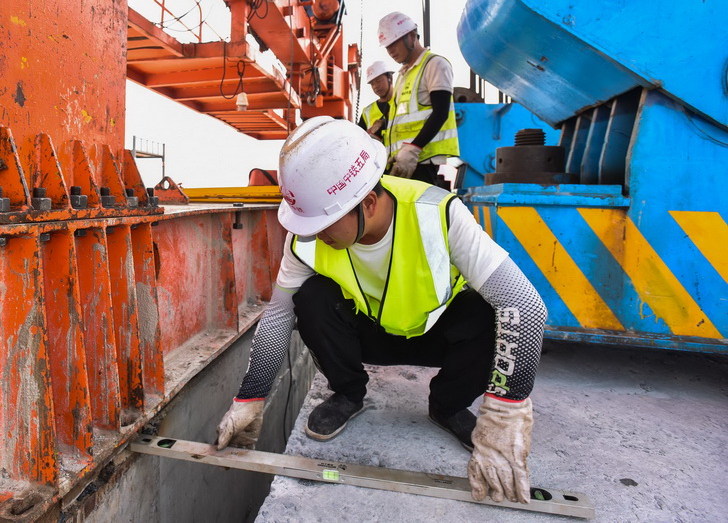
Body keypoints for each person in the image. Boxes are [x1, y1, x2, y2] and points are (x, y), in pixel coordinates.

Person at [215, 117, 546, 504]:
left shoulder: (437, 213)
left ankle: (447, 405)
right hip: (369, 333)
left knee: (490, 312)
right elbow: (278, 316)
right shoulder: (306, 238)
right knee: (311, 298)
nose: (312, 234)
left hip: (436, 330)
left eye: (323, 223)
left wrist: (505, 415)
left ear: (368, 203)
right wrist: (249, 400)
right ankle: (348, 394)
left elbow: (525, 304)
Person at [376, 11, 459, 187]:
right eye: (387, 47)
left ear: (412, 36)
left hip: (422, 161)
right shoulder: (404, 75)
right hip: (401, 161)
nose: (390, 51)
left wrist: (414, 149)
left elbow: (441, 112)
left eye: (394, 44)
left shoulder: (434, 64)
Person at [357, 59, 397, 150]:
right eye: (372, 84)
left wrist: (382, 124)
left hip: (406, 159)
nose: (376, 86)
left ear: (390, 78)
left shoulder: (403, 101)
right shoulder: (367, 112)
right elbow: (360, 141)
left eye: (379, 81)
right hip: (382, 163)